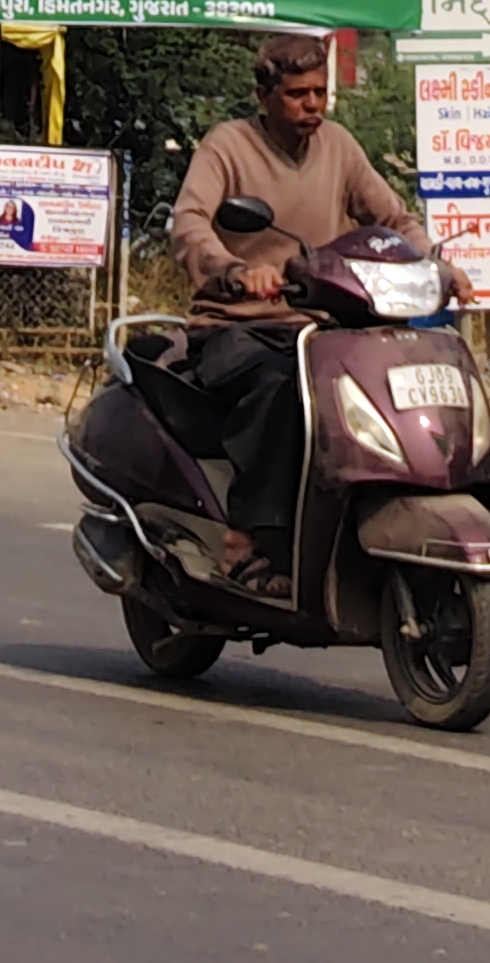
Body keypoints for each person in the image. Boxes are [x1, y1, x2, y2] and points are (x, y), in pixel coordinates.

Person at [168, 32, 421, 587]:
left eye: (320, 93)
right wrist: (234, 270)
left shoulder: (339, 147)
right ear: (264, 96)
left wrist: (434, 264)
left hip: (323, 327)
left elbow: (394, 219)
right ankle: (248, 534)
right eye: (298, 94)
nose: (312, 105)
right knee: (284, 388)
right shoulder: (228, 145)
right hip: (238, 327)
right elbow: (189, 223)